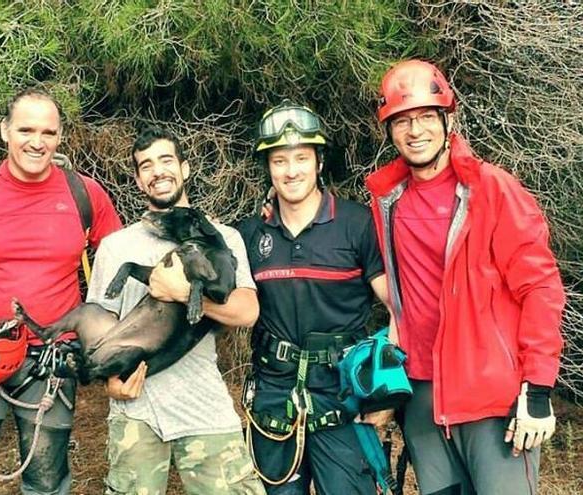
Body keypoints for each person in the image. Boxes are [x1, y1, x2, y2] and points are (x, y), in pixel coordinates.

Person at [366, 59, 565, 495]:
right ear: (389, 131)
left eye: (424, 117)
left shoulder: (491, 190)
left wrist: (537, 386)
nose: (414, 131)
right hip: (422, 396)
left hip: (490, 396)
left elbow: (541, 288)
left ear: (446, 119)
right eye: (401, 121)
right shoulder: (387, 202)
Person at [0, 87, 122, 495]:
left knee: (47, 479)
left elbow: (119, 264)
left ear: (60, 136)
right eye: (26, 130)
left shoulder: (84, 194)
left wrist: (100, 335)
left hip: (50, 362)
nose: (37, 142)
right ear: (5, 131)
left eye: (48, 133)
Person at [85, 124, 266, 494]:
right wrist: (109, 381)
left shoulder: (222, 238)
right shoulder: (116, 247)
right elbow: (100, 324)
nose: (157, 171)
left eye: (166, 160)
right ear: (138, 180)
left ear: (184, 168)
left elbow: (247, 311)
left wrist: (182, 292)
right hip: (137, 411)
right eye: (146, 165)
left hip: (203, 407)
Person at [236, 102, 393, 494]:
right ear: (268, 168)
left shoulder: (356, 224)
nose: (291, 171)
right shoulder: (250, 235)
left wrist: (385, 392)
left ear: (319, 162)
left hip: (344, 399)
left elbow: (399, 308)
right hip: (274, 401)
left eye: (301, 158)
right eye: (279, 160)